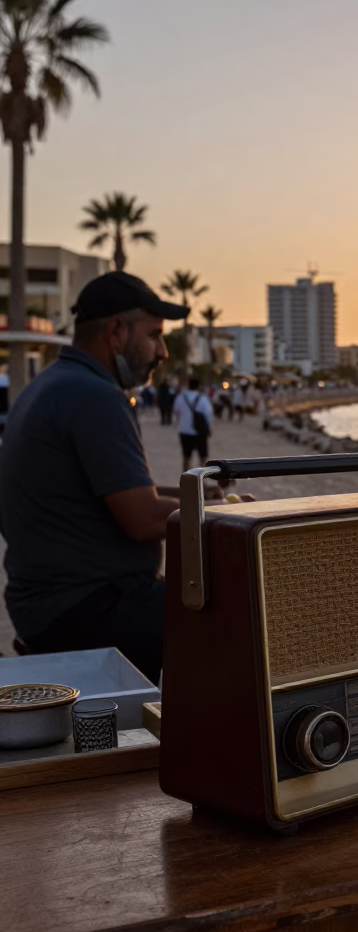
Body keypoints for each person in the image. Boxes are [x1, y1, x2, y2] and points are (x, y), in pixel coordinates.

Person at [0, 271, 193, 684]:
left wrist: (195, 495)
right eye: (155, 335)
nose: (162, 351)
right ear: (117, 332)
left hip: (49, 603)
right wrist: (225, 515)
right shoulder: (93, 395)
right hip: (84, 604)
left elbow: (110, 491)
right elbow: (142, 519)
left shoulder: (52, 384)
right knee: (242, 615)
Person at [173, 375, 215, 471]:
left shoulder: (181, 397)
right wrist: (208, 428)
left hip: (184, 430)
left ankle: (186, 476)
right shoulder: (203, 398)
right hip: (199, 431)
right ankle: (202, 476)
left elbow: (176, 411)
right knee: (203, 457)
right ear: (198, 386)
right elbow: (208, 414)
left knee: (186, 457)